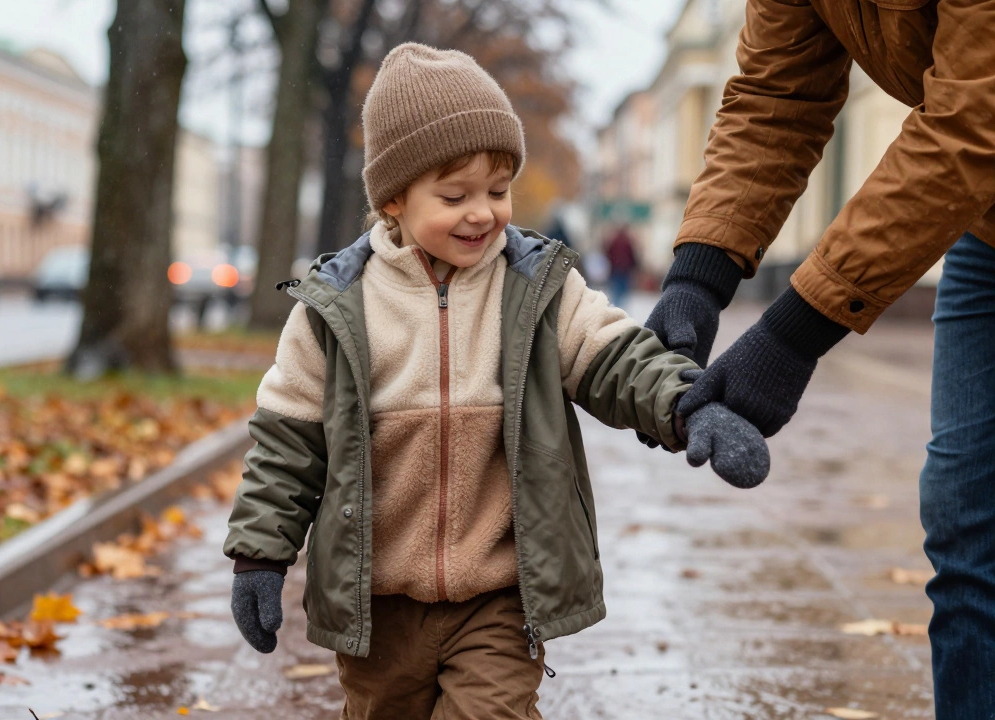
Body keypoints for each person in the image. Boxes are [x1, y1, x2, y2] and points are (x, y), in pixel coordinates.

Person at [223, 43, 770, 719]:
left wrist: (687, 405)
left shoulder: (536, 287)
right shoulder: (335, 310)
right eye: (454, 195)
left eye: (498, 190)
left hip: (500, 596)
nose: (482, 212)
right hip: (379, 603)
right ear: (392, 197)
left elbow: (615, 355)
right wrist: (259, 556)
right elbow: (287, 442)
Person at [641, 3, 995, 717]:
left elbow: (974, 117)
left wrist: (791, 338)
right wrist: (695, 282)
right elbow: (777, 94)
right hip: (986, 229)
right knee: (965, 527)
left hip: (975, 164)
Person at [603, 224, 638, 306]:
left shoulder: (614, 241)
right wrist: (634, 266)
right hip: (625, 269)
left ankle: (615, 305)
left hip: (616, 268)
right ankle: (619, 306)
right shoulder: (627, 242)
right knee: (623, 289)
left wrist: (612, 263)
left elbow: (608, 253)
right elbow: (632, 256)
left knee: (615, 289)